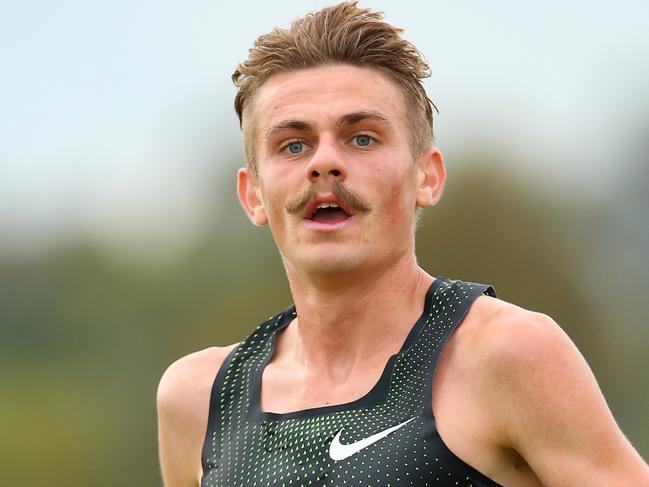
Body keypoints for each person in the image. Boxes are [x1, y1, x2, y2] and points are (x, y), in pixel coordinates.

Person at [156, 2, 649, 486]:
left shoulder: (507, 355)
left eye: (362, 138)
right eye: (293, 145)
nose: (324, 162)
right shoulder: (198, 399)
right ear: (253, 195)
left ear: (427, 178)